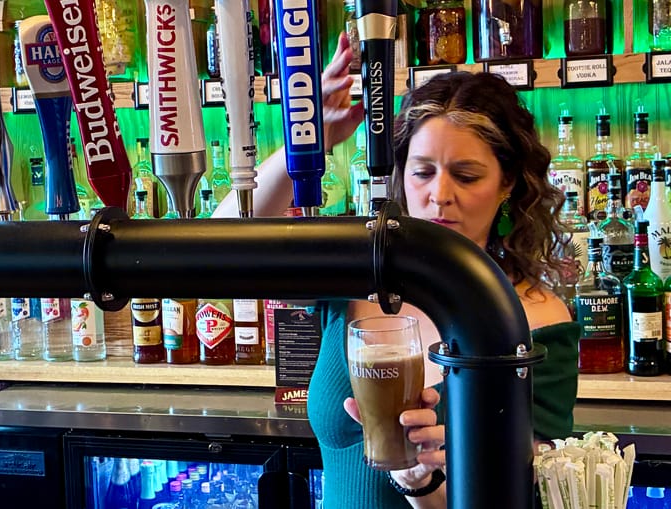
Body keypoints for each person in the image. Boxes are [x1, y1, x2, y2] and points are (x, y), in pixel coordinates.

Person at [214, 33, 579, 509]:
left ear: (507, 182)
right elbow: (218, 252)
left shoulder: (537, 324)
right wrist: (306, 141)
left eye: (466, 176)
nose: (439, 195)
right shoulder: (355, 275)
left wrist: (420, 482)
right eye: (422, 172)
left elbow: (519, 498)